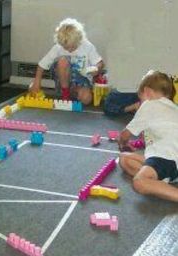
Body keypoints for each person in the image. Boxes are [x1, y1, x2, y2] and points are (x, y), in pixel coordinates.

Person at [118, 70, 178, 202]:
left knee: (139, 182)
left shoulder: (149, 105)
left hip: (166, 158)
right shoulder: (173, 107)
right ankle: (161, 180)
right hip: (170, 159)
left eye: (140, 98)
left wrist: (122, 143)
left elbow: (124, 135)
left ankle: (158, 183)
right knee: (124, 159)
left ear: (147, 92)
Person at [29, 18, 104, 105]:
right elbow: (42, 65)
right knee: (63, 61)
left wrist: (96, 69)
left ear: (79, 40)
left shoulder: (87, 46)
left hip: (82, 80)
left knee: (86, 99)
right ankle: (65, 94)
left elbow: (100, 63)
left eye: (72, 47)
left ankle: (73, 92)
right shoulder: (58, 47)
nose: (69, 50)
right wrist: (37, 82)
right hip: (63, 79)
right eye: (66, 47)